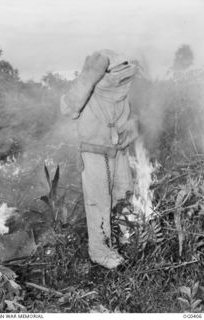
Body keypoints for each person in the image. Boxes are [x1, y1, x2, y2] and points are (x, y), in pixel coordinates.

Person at [61, 49, 139, 269]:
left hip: (105, 150)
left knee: (108, 200)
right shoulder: (121, 82)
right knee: (112, 200)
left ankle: (111, 246)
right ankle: (113, 246)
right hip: (108, 150)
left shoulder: (99, 82)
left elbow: (68, 108)